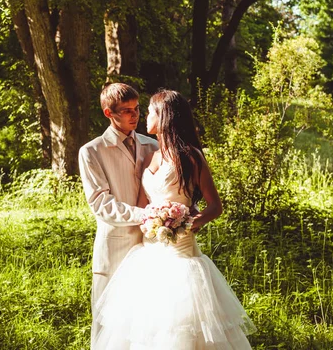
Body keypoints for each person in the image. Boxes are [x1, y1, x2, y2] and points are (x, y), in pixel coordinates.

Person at [92, 89, 256, 349]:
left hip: (181, 252)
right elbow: (142, 204)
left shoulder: (191, 156)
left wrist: (188, 223)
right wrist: (151, 220)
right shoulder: (151, 155)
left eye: (149, 111)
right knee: (145, 324)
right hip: (149, 252)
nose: (144, 116)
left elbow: (215, 206)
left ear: (164, 116)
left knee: (181, 326)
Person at [78, 83, 159, 345]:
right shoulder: (92, 151)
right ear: (108, 113)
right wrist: (146, 215)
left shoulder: (152, 145)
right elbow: (101, 203)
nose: (135, 116)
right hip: (115, 249)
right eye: (126, 111)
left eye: (137, 109)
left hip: (151, 246)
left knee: (147, 321)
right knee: (108, 326)